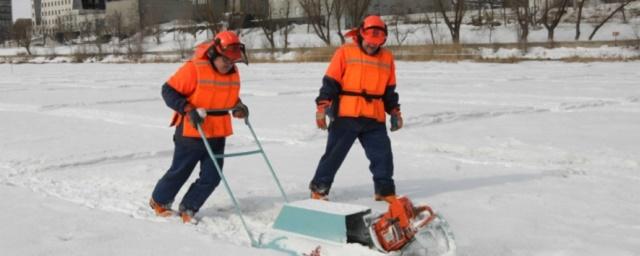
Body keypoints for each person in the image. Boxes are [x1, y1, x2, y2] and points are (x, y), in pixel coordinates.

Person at [149, 31, 250, 223]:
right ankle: (160, 201)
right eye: (225, 60)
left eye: (232, 61)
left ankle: (189, 207)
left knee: (213, 177)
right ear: (214, 54)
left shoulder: (233, 73)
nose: (229, 64)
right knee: (181, 171)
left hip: (218, 133)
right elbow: (168, 91)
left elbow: (227, 96)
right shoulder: (194, 68)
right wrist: (187, 108)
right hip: (191, 131)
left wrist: (238, 106)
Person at [309, 15, 404, 204]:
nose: (372, 46)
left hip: (374, 117)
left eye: (377, 43)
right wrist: (322, 107)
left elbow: (389, 90)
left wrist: (394, 112)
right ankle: (319, 188)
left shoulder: (387, 57)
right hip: (346, 114)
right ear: (361, 34)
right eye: (369, 42)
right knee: (334, 155)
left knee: (383, 155)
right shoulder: (345, 52)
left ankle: (384, 191)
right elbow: (330, 83)